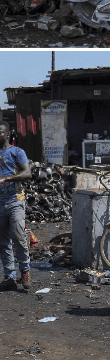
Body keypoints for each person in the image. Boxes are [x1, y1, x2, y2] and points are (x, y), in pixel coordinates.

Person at [0, 122, 31, 291]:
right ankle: (9, 277)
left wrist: (7, 179)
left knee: (19, 237)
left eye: (0, 132)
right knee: (3, 242)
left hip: (15, 200)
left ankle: (25, 271)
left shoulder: (17, 152)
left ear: (7, 133)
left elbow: (27, 173)